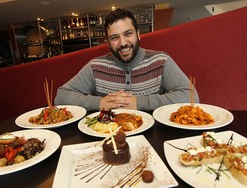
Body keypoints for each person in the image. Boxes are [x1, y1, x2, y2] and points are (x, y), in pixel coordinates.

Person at [55, 8, 199, 111]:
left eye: (128, 34)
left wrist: (139, 102)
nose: (122, 43)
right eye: (114, 38)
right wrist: (101, 102)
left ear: (138, 34)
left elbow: (191, 96)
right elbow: (61, 97)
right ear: (108, 41)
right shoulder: (95, 66)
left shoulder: (161, 60)